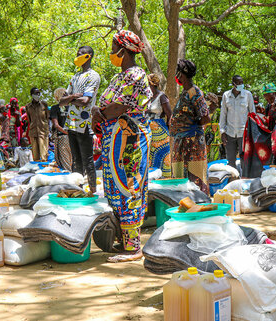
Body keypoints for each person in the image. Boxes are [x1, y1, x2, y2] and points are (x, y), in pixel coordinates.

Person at [91, 30, 152, 263]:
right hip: (115, 140)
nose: (111, 51)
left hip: (130, 140)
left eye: (114, 46)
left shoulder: (135, 74)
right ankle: (124, 241)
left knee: (129, 186)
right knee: (116, 189)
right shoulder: (120, 76)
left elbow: (118, 108)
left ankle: (134, 247)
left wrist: (99, 113)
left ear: (124, 51)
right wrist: (100, 114)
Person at [60, 46, 100, 190]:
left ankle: (93, 189)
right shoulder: (75, 77)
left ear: (89, 56)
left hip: (84, 124)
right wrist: (72, 97)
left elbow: (85, 101)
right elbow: (61, 101)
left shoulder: (93, 76)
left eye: (81, 54)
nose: (77, 55)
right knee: (75, 160)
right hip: (71, 123)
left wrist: (68, 99)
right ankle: (77, 189)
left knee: (87, 160)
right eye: (77, 53)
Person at [170, 59, 211, 194]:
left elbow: (205, 117)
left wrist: (191, 127)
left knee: (195, 178)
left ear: (181, 74)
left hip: (192, 144)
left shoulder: (194, 92)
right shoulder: (186, 92)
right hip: (182, 143)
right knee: (181, 179)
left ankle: (199, 206)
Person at [219, 75, 255, 170]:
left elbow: (252, 114)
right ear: (233, 84)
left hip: (244, 133)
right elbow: (223, 114)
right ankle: (232, 181)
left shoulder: (248, 95)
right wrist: (222, 132)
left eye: (241, 83)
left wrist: (252, 133)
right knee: (230, 161)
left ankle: (244, 181)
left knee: (245, 160)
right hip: (229, 133)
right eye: (238, 83)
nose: (240, 85)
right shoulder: (226, 95)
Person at [146, 73, 172, 177]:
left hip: (160, 132)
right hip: (148, 130)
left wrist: (169, 131)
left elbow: (170, 115)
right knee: (150, 157)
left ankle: (164, 183)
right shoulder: (146, 97)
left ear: (152, 84)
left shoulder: (162, 97)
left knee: (163, 157)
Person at [50, 88, 72, 171]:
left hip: (62, 137)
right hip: (73, 136)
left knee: (64, 160)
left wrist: (66, 133)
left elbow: (56, 125)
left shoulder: (55, 108)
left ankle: (69, 176)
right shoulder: (72, 108)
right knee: (72, 158)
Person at [25, 87, 49, 162]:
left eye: (39, 93)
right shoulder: (28, 106)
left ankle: (44, 168)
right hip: (33, 131)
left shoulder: (44, 104)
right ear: (32, 95)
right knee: (35, 155)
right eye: (36, 93)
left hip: (43, 131)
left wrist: (46, 128)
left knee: (44, 154)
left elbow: (47, 117)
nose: (38, 95)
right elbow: (29, 119)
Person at [204, 92, 223, 163]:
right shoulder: (206, 111)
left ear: (211, 101)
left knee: (215, 157)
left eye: (207, 99)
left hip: (215, 137)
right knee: (207, 157)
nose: (205, 101)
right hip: (206, 136)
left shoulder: (218, 112)